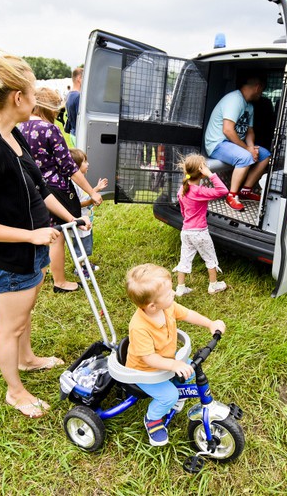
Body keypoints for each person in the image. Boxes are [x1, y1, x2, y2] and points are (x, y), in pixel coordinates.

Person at [0, 43, 77, 418]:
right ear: (18, 97)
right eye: (33, 92)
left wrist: (69, 219)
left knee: (24, 315)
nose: (36, 99)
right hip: (11, 255)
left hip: (33, 249)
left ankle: (27, 359)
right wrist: (30, 236)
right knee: (10, 325)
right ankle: (15, 391)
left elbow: (40, 188)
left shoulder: (12, 133)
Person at [125, 263, 226, 446]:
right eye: (168, 293)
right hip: (145, 372)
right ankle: (152, 419)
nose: (173, 293)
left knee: (190, 371)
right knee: (169, 395)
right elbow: (149, 358)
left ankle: (176, 395)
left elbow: (188, 314)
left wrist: (210, 323)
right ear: (152, 306)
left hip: (167, 362)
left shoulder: (167, 307)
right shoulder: (139, 327)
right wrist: (173, 365)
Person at [18, 87, 102, 293]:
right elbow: (69, 167)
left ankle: (38, 272)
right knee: (57, 235)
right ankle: (60, 281)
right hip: (54, 191)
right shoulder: (49, 129)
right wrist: (92, 192)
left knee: (39, 232)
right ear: (49, 108)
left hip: (28, 188)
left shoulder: (20, 126)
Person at [203, 75, 271, 211]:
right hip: (217, 144)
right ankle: (231, 196)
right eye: (262, 90)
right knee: (245, 157)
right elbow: (228, 130)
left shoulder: (249, 106)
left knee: (265, 155)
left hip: (233, 144)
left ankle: (246, 190)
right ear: (257, 88)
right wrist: (247, 149)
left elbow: (249, 131)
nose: (261, 94)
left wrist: (251, 147)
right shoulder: (234, 100)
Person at [172, 154, 228, 296]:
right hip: (200, 232)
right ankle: (213, 286)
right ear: (202, 173)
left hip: (186, 231)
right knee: (210, 258)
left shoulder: (182, 189)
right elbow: (223, 190)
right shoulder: (199, 191)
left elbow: (183, 211)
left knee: (185, 258)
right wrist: (211, 174)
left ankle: (180, 288)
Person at [69, 148, 108, 279]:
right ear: (76, 166)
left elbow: (86, 195)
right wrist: (92, 200)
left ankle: (85, 264)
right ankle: (79, 269)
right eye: (85, 161)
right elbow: (77, 203)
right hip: (79, 221)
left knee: (86, 244)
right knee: (80, 246)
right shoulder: (73, 184)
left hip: (86, 220)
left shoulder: (80, 182)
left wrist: (96, 189)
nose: (88, 164)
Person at [64, 67, 83, 146]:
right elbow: (80, 118)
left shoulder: (69, 94)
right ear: (79, 78)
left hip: (72, 134)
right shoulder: (78, 96)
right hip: (78, 135)